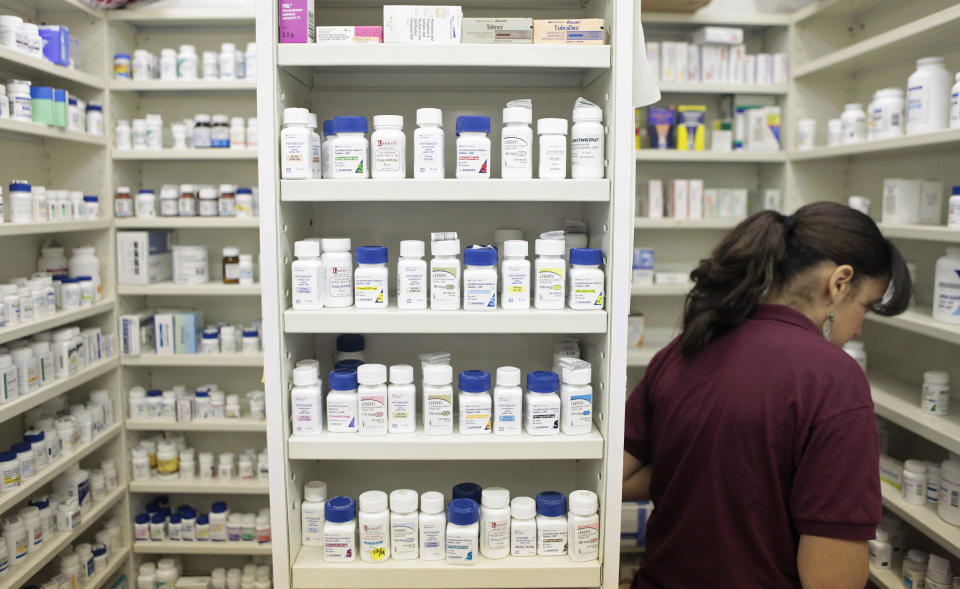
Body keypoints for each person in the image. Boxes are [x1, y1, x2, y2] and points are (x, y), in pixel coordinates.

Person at [622, 202, 912, 588]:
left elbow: (617, 479)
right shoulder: (834, 379)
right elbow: (831, 581)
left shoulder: (682, 350)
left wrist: (708, 466)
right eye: (866, 307)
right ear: (839, 282)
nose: (859, 328)